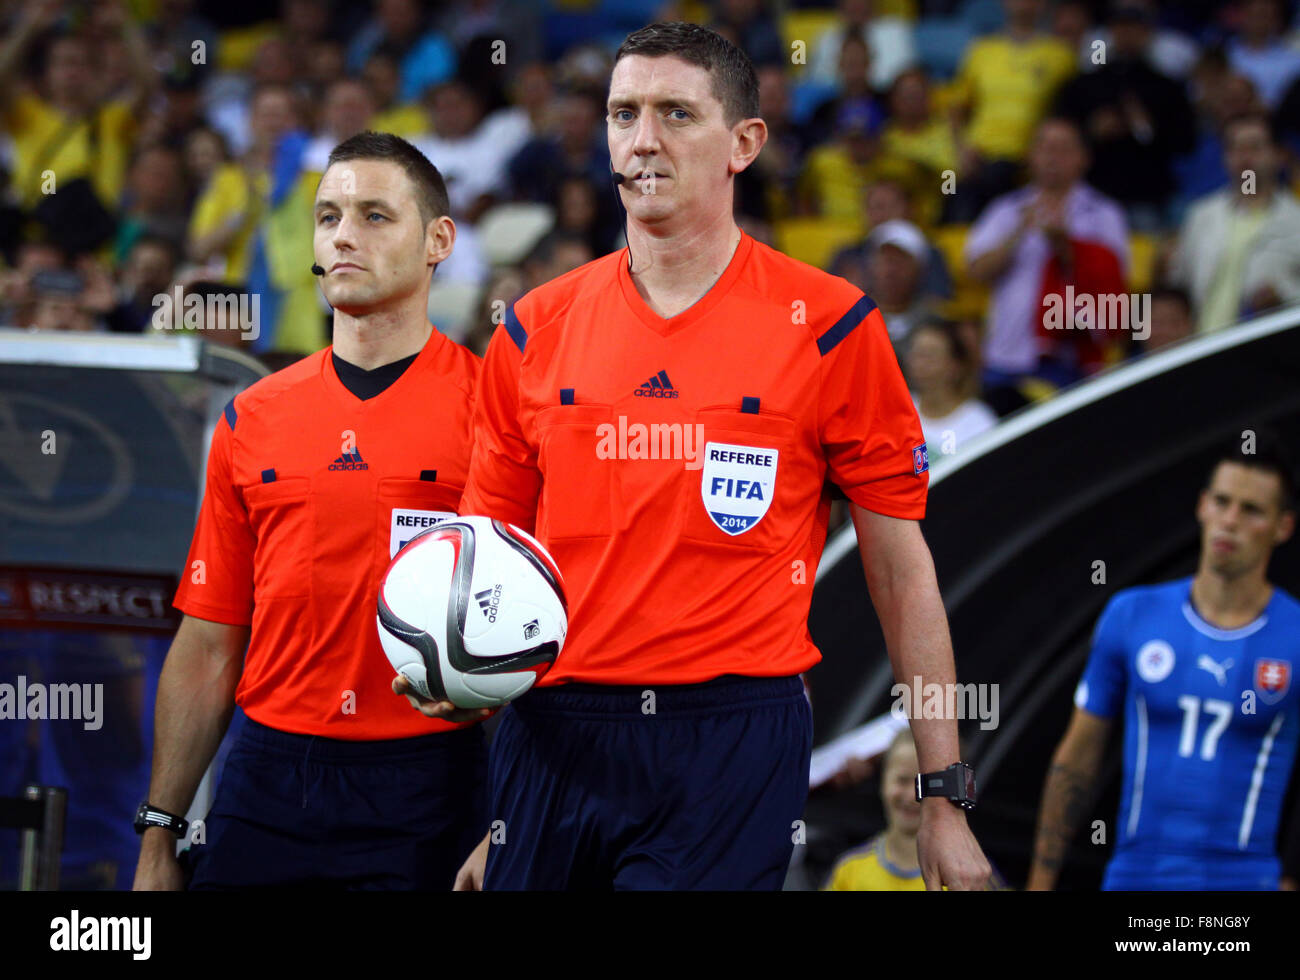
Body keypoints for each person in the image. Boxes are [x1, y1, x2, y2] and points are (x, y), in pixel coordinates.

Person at [429, 22, 991, 892]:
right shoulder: (532, 327)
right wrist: (495, 814)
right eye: (623, 113)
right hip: (550, 731)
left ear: (744, 143)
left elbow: (901, 574)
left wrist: (944, 796)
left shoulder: (834, 326)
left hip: (731, 736)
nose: (642, 138)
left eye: (675, 113)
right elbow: (480, 573)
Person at [132, 132, 487, 891]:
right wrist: (159, 833)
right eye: (328, 217)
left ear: (438, 241)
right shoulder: (251, 417)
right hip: (268, 778)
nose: (343, 235)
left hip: (435, 781)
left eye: (373, 215)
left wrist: (506, 823)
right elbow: (208, 642)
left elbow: (539, 646)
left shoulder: (498, 413)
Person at [1029, 436, 1300, 890]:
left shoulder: (1293, 634)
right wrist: (1040, 882)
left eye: (1252, 510)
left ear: (1283, 526)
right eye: (1222, 501)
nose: (1230, 521)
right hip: (1136, 877)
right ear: (1201, 506)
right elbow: (1078, 757)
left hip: (1247, 882)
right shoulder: (1133, 615)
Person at [1167, 113, 1300, 334]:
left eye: (1255, 147)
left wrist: (1281, 296)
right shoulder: (1201, 216)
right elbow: (1180, 288)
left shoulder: (1296, 221)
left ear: (1279, 155)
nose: (1244, 158)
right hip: (1199, 349)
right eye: (1235, 148)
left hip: (1266, 352)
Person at [905, 317, 997, 458]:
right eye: (916, 353)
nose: (919, 363)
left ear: (955, 366)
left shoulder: (979, 423)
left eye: (929, 356)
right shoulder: (898, 409)